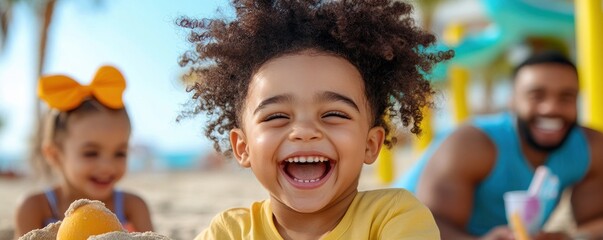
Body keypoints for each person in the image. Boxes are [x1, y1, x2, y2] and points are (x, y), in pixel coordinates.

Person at [177, 0, 454, 239]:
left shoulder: (394, 217)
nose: (305, 131)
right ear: (243, 147)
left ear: (371, 144)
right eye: (277, 116)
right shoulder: (229, 232)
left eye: (334, 114)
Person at [396, 51, 603, 239]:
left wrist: (570, 237)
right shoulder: (473, 144)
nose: (551, 107)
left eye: (566, 97)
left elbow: (595, 224)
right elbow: (426, 228)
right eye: (537, 96)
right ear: (512, 100)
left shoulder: (590, 148)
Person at [14, 66, 154, 237]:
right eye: (91, 153)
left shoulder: (133, 206)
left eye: (120, 153)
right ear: (54, 155)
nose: (107, 166)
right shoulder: (35, 208)